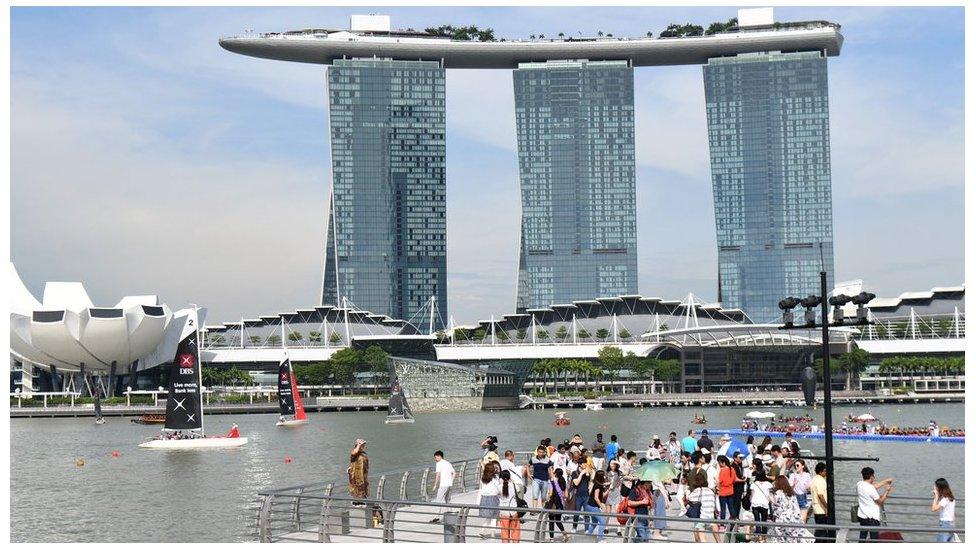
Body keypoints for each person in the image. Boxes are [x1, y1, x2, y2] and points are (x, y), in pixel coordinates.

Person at [856, 467, 893, 542]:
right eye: (874, 475)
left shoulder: (859, 484)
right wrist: (887, 491)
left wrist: (885, 481)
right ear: (871, 476)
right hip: (872, 519)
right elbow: (880, 502)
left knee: (862, 538)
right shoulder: (870, 488)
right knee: (874, 540)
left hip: (862, 516)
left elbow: (873, 487)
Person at [770, 475, 810, 542]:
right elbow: (796, 507)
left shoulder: (778, 493)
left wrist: (771, 501)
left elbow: (776, 510)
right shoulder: (792, 493)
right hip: (795, 520)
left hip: (782, 520)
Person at [430, 450, 455, 523]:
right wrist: (451, 481)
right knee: (448, 500)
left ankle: (437, 517)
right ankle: (450, 515)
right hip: (449, 484)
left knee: (439, 500)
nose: (435, 459)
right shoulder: (448, 463)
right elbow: (454, 473)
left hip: (443, 484)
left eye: (435, 457)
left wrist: (435, 485)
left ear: (439, 456)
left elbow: (437, 475)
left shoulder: (439, 463)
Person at [478, 461, 502, 538]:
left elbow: (481, 489)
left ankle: (482, 531)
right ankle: (492, 533)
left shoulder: (483, 478)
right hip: (493, 498)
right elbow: (498, 489)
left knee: (488, 517)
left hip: (484, 498)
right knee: (494, 517)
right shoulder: (495, 478)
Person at [544, 468, 569, 542]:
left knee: (551, 521)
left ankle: (552, 539)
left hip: (553, 504)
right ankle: (565, 534)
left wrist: (547, 499)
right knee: (558, 521)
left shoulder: (552, 482)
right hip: (560, 504)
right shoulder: (563, 481)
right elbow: (566, 495)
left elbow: (550, 493)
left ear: (555, 474)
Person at [584, 470, 609, 541]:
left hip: (590, 506)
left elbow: (602, 496)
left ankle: (588, 536)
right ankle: (600, 539)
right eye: (603, 475)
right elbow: (596, 497)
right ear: (600, 477)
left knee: (594, 522)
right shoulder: (598, 486)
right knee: (603, 521)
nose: (605, 476)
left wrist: (608, 490)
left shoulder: (599, 484)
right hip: (592, 506)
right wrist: (602, 506)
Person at [810, 462, 832, 542]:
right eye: (825, 471)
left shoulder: (814, 479)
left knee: (821, 530)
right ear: (821, 471)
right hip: (821, 510)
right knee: (821, 532)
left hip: (817, 509)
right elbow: (820, 495)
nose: (826, 473)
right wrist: (827, 507)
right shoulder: (820, 480)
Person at [750, 467, 774, 542]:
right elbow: (770, 494)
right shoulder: (768, 484)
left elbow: (752, 495)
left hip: (755, 503)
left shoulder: (753, 484)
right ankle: (764, 536)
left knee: (757, 520)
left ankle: (759, 537)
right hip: (764, 504)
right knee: (764, 520)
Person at [497, 470, 521, 543]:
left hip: (504, 512)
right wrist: (512, 481)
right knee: (515, 532)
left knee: (504, 533)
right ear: (509, 477)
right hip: (514, 511)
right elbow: (519, 490)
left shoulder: (499, 487)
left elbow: (497, 495)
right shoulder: (514, 485)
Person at [930, 478, 956, 542]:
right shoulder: (951, 498)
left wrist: (936, 496)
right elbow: (953, 514)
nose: (934, 488)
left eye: (935, 487)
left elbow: (933, 509)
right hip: (951, 524)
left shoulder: (945, 499)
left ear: (940, 488)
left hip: (945, 524)